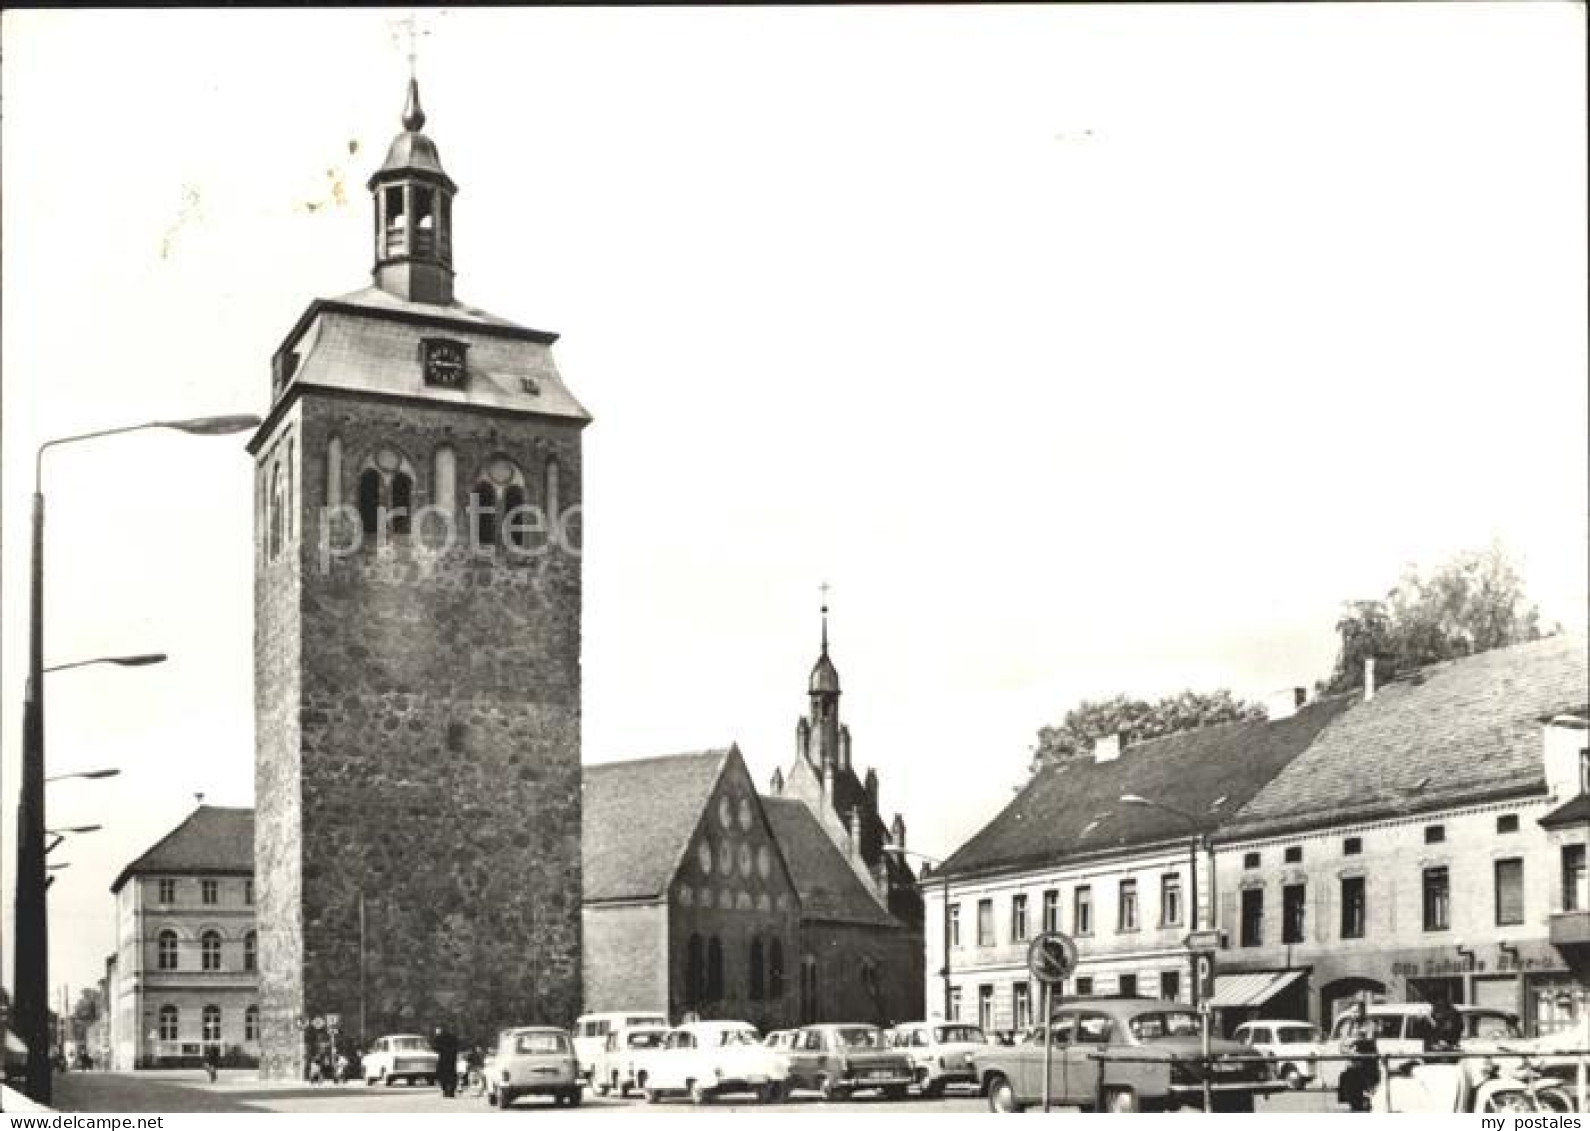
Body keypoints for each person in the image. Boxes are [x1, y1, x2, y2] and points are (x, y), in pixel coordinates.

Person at [1335, 1002, 1380, 1113]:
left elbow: (1369, 1040)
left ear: (1363, 1011)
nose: (1354, 1014)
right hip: (1352, 1068)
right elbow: (1341, 1046)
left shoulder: (1370, 1024)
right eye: (1352, 1011)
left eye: (1357, 1011)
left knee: (1368, 1102)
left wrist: (1355, 1041)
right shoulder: (1347, 1026)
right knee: (1353, 1101)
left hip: (1367, 1068)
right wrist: (1349, 1050)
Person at [432, 1024, 460, 1098]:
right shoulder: (453, 1037)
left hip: (443, 1058)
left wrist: (441, 1049)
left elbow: (434, 1047)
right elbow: (457, 1046)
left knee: (442, 1074)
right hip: (452, 1058)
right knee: (452, 1074)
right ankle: (451, 1091)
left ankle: (445, 1090)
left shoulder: (439, 1037)